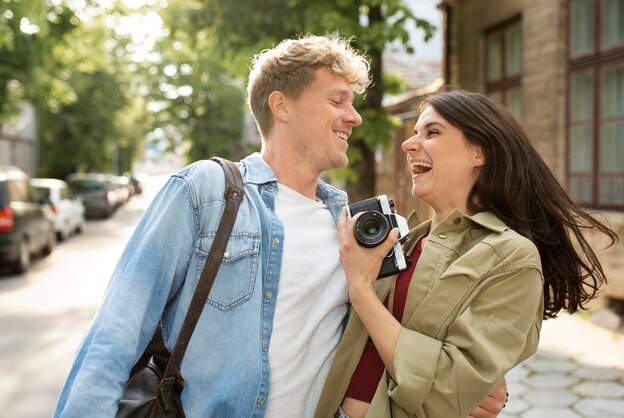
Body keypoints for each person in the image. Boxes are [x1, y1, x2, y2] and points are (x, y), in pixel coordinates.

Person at [54, 37, 507, 417]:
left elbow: (392, 331)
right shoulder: (206, 191)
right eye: (336, 101)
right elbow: (113, 338)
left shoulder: (350, 223)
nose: (355, 117)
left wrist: (470, 382)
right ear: (282, 106)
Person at [313, 90, 619, 418]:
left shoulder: (512, 256)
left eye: (432, 132)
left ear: (480, 152)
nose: (408, 144)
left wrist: (361, 291)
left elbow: (450, 385)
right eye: (414, 132)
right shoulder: (405, 241)